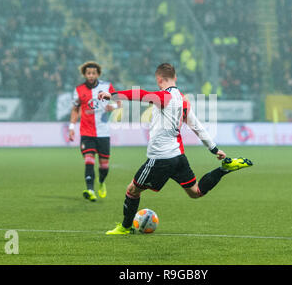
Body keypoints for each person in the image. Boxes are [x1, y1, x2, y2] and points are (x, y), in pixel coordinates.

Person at [97, 63, 253, 235]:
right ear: (175, 78)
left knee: (132, 190)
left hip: (160, 158)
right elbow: (197, 126)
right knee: (196, 192)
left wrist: (112, 95)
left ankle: (125, 227)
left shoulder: (165, 97)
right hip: (178, 156)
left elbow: (141, 95)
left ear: (159, 79)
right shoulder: (183, 100)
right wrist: (214, 149)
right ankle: (224, 168)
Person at [68, 61, 121, 201]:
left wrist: (113, 106)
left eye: (93, 73)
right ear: (84, 74)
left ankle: (102, 182)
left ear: (98, 74)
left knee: (104, 166)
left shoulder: (106, 86)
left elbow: (118, 101)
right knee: (89, 160)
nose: (91, 75)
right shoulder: (79, 90)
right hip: (86, 132)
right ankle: (90, 189)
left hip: (103, 132)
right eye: (88, 73)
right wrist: (71, 127)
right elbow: (75, 109)